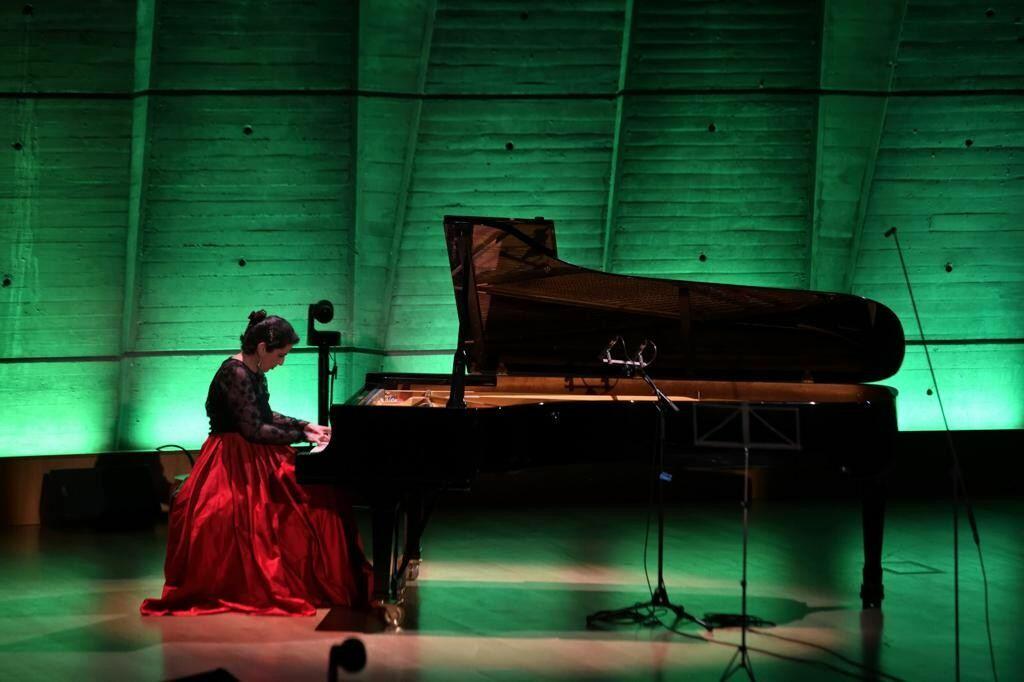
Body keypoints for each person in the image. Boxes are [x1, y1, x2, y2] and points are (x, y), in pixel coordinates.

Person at [141, 310, 371, 616]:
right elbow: (253, 429)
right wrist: (302, 435)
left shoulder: (254, 370)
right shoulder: (234, 373)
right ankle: (297, 581)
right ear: (262, 348)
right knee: (294, 502)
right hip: (232, 459)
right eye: (280, 355)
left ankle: (328, 578)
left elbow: (264, 413)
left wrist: (305, 425)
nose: (281, 362)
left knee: (322, 492)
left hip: (255, 453)